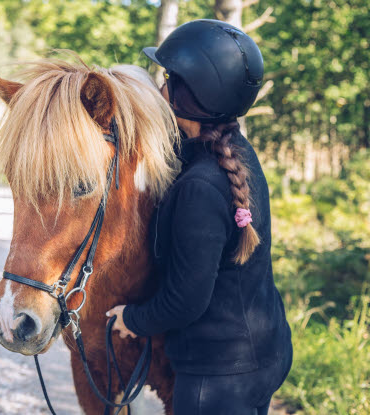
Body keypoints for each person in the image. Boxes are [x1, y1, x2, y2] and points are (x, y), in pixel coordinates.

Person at [105, 19, 293, 415]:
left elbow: (185, 300)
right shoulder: (237, 156)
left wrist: (132, 319)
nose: (159, 90)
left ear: (186, 97)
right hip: (262, 352)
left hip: (216, 378)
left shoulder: (200, 186)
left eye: (167, 79)